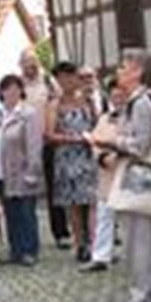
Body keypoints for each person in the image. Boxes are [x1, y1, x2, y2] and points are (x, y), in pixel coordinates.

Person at [88, 48, 151, 302]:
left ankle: (141, 300)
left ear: (138, 71)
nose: (118, 71)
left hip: (139, 174)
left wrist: (110, 141)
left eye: (123, 67)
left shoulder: (140, 104)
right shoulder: (147, 100)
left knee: (139, 239)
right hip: (149, 174)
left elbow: (139, 146)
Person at [45, 61, 99, 263]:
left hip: (88, 155)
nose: (67, 82)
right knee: (74, 204)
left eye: (70, 77)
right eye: (62, 78)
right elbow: (49, 134)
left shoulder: (87, 101)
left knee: (92, 201)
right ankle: (80, 243)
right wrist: (75, 139)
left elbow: (97, 123)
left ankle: (95, 244)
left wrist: (93, 138)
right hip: (67, 157)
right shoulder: (54, 105)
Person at [0, 74, 43, 267]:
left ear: (21, 91)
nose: (11, 93)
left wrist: (32, 172)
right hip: (2, 173)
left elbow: (34, 145)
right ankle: (15, 250)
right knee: (10, 213)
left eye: (15, 89)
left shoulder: (29, 114)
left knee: (26, 212)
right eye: (7, 89)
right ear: (1, 92)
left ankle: (30, 250)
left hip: (22, 172)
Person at [20, 48, 69, 249]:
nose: (30, 66)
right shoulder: (18, 84)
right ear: (21, 65)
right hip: (25, 143)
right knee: (26, 189)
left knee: (54, 187)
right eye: (26, 63)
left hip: (47, 141)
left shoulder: (48, 82)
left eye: (33, 62)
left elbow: (60, 104)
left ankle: (60, 232)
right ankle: (28, 235)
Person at [83, 78, 129, 273]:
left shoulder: (134, 116)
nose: (117, 99)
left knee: (131, 217)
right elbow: (94, 141)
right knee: (104, 215)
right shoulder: (104, 118)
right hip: (107, 173)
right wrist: (102, 157)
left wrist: (117, 152)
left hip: (129, 171)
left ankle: (136, 255)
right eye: (114, 95)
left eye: (121, 95)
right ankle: (101, 256)